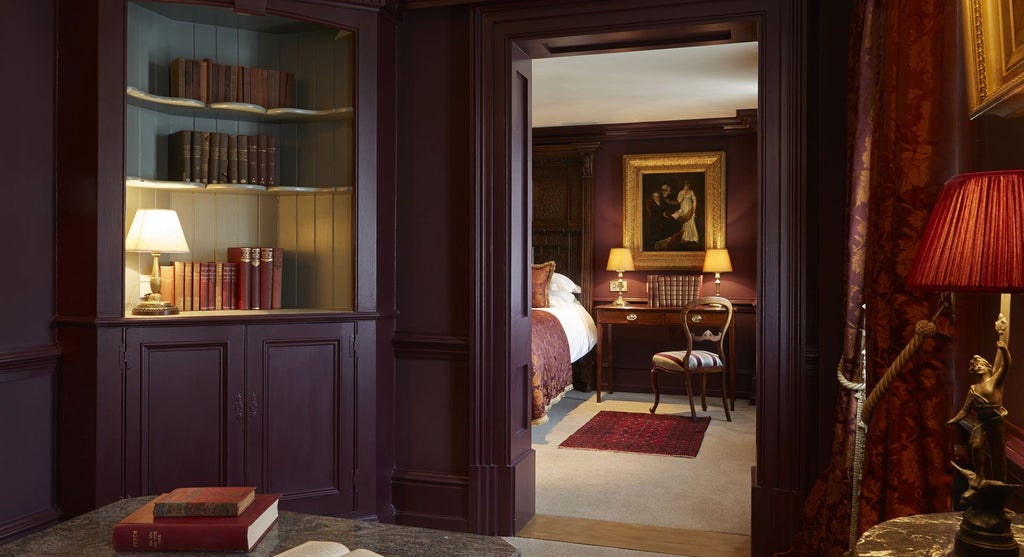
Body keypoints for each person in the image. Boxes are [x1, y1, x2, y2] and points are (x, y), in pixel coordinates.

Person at [948, 315, 1011, 483]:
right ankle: (981, 476)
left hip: (996, 422)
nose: (976, 366)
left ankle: (1000, 485)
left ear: (988, 367)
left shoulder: (995, 381)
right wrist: (954, 419)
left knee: (999, 455)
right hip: (981, 422)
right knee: (975, 446)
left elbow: (1006, 365)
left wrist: (1004, 350)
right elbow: (965, 410)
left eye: (980, 364)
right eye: (974, 366)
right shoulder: (973, 389)